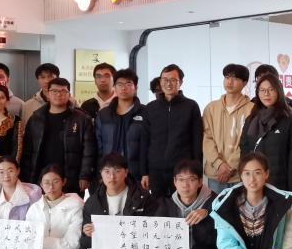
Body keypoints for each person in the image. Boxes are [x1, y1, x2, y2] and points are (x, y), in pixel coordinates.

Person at [22, 77, 96, 193]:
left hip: (71, 176)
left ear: (69, 95)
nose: (58, 94)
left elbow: (89, 151)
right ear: (48, 94)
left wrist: (85, 176)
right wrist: (26, 176)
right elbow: (27, 151)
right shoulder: (36, 118)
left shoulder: (82, 119)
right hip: (41, 176)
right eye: (54, 91)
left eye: (63, 91)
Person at [141, 64, 203, 199]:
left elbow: (197, 141)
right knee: (158, 207)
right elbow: (144, 141)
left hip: (182, 171)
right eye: (164, 80)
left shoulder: (191, 106)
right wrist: (144, 172)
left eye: (173, 80)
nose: (168, 84)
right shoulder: (151, 108)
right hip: (156, 170)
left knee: (182, 206)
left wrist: (197, 172)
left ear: (180, 82)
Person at [240, 72, 292, 193]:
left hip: (280, 186)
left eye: (271, 89)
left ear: (278, 91)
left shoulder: (289, 119)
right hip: (254, 184)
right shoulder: (251, 119)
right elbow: (244, 151)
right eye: (262, 90)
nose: (266, 94)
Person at [202, 63, 254, 194]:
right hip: (215, 173)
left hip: (241, 174)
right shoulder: (211, 108)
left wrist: (231, 166)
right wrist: (219, 164)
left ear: (244, 82)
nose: (229, 82)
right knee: (215, 205)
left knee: (239, 206)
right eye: (227, 77)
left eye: (235, 78)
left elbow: (249, 142)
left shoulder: (252, 109)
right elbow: (206, 139)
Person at [95, 68, 149, 181]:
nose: (124, 88)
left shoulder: (146, 112)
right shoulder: (103, 114)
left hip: (136, 173)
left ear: (136, 88)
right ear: (114, 87)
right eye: (119, 84)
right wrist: (99, 172)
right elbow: (98, 147)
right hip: (110, 173)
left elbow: (149, 145)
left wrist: (146, 173)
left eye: (128, 84)